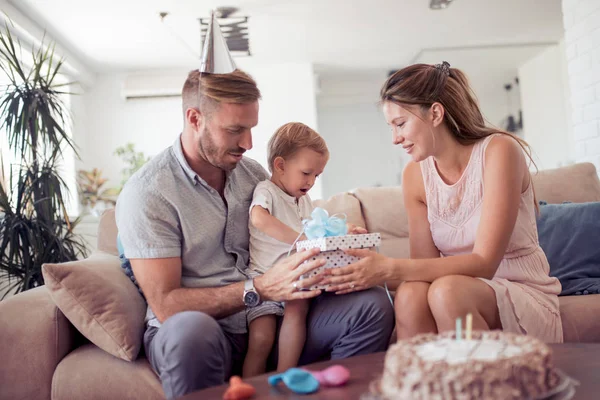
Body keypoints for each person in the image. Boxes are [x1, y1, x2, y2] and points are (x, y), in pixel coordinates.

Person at [115, 69, 395, 399]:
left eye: (251, 128)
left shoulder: (252, 175)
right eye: (235, 130)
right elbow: (166, 306)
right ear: (194, 119)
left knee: (371, 305)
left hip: (269, 317)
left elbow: (298, 225)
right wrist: (259, 288)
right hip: (204, 328)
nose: (248, 143)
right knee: (191, 331)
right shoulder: (149, 193)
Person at [320, 61, 563, 343]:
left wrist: (389, 267)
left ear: (435, 113)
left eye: (400, 124)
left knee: (447, 291)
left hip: (520, 292)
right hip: (453, 292)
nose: (395, 139)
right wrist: (356, 272)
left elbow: (484, 264)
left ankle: (474, 385)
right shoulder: (415, 175)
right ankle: (423, 384)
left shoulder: (499, 151)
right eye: (391, 127)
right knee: (412, 294)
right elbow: (423, 268)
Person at [242, 122, 367, 377]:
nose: (311, 181)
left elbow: (319, 232)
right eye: (306, 173)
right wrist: (300, 239)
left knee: (298, 309)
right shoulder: (267, 191)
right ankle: (249, 388)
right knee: (262, 338)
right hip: (264, 280)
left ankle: (286, 377)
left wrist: (344, 231)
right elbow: (259, 219)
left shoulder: (305, 201)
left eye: (317, 176)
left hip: (295, 278)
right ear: (280, 166)